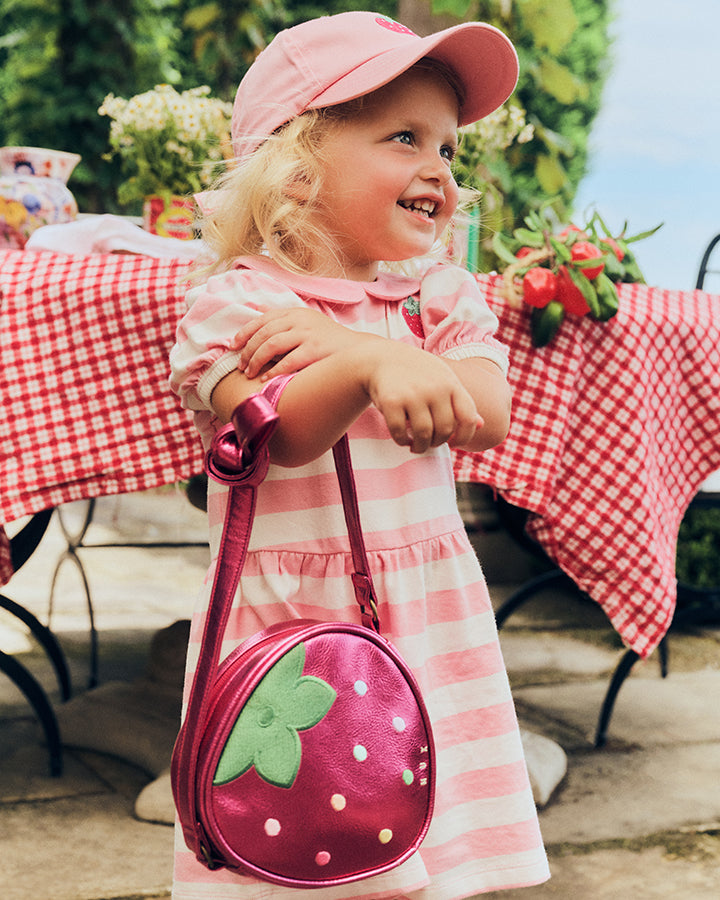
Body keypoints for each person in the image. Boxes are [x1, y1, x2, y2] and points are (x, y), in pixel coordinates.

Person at [169, 10, 549, 899]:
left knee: (430, 848)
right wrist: (364, 364)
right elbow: (287, 435)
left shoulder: (435, 300)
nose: (439, 169)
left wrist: (367, 349)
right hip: (290, 629)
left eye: (449, 148)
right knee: (298, 852)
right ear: (297, 169)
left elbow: (486, 413)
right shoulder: (237, 307)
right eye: (405, 137)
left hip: (426, 618)